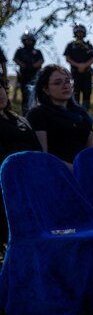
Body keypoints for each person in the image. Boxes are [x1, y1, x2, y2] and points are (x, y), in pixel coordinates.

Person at [0, 76, 42, 246]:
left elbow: (37, 150)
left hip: (32, 179)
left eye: (0, 88)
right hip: (7, 184)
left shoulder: (20, 120)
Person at [26, 64, 93, 165]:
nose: (65, 86)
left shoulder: (81, 114)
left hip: (86, 173)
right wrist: (74, 170)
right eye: (57, 83)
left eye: (68, 81)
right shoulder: (38, 114)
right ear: (45, 89)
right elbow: (43, 155)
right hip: (58, 173)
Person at [63, 24, 93, 110]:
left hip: (87, 74)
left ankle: (85, 113)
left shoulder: (88, 45)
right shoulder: (70, 45)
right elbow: (67, 58)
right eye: (78, 32)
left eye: (81, 32)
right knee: (75, 94)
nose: (79, 34)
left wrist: (84, 66)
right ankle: (75, 112)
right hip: (75, 74)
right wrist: (78, 66)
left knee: (87, 94)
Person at [13, 30, 44, 113]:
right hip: (24, 76)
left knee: (36, 94)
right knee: (25, 95)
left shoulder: (37, 51)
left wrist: (33, 66)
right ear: (23, 41)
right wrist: (23, 65)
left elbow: (41, 60)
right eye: (27, 40)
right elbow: (15, 59)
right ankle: (25, 113)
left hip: (35, 76)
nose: (28, 42)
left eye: (30, 40)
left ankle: (36, 112)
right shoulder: (20, 51)